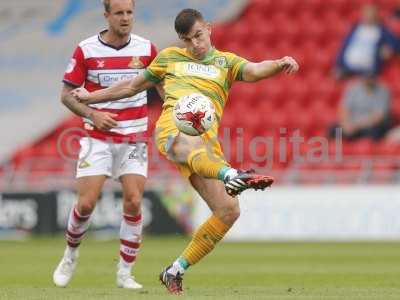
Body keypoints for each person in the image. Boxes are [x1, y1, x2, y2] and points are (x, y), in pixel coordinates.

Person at [72, 8, 299, 294]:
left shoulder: (225, 62)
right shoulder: (169, 57)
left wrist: (279, 63)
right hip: (172, 130)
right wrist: (91, 96)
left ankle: (175, 270)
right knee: (190, 144)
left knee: (228, 210)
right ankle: (231, 175)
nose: (194, 44)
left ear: (209, 29)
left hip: (205, 146)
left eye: (198, 36)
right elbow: (132, 85)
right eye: (187, 39)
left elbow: (254, 69)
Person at [53, 0, 160, 289]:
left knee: (134, 201)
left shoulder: (147, 49)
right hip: (97, 139)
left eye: (130, 13)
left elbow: (163, 90)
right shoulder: (86, 49)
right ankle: (70, 254)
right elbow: (66, 95)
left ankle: (125, 273)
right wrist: (92, 114)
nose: (126, 19)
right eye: (119, 13)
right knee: (86, 204)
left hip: (135, 138)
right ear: (107, 16)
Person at [335, 4, 400, 79]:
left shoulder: (382, 30)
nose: (368, 17)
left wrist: (390, 48)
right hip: (348, 68)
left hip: (368, 70)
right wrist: (338, 64)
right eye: (367, 14)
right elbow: (344, 47)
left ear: (376, 15)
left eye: (371, 14)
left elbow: (396, 43)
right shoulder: (355, 28)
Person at [329, 74, 391, 141]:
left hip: (368, 126)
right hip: (351, 124)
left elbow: (378, 117)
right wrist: (346, 124)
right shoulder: (352, 88)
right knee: (334, 130)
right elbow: (344, 109)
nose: (368, 79)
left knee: (374, 133)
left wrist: (356, 125)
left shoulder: (383, 90)